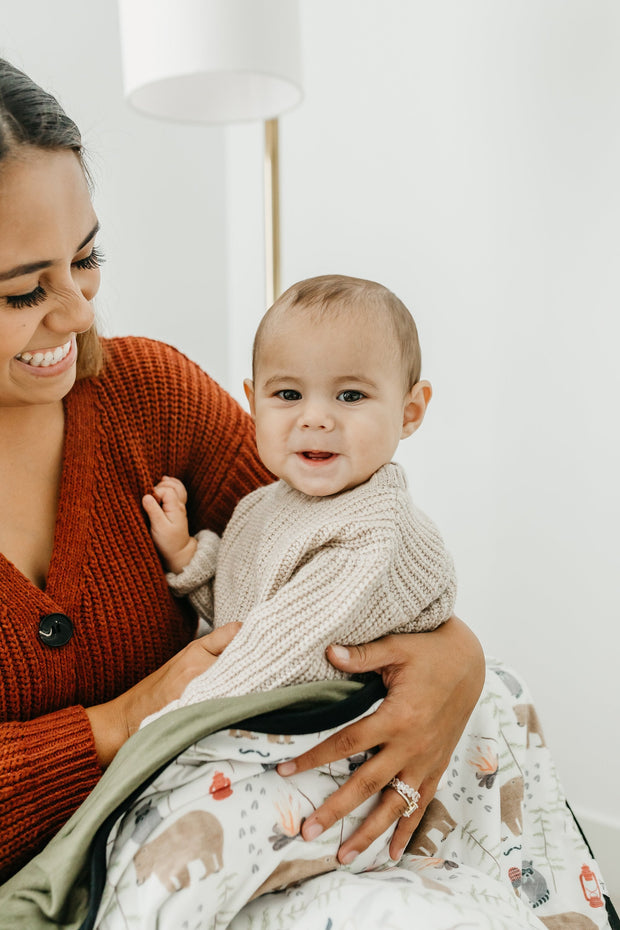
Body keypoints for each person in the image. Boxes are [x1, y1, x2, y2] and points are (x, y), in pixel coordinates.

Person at [0, 58, 614, 930]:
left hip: (253, 816)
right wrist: (120, 722)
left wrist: (455, 657)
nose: (78, 312)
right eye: (25, 290)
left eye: (87, 257)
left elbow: (325, 542)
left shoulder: (146, 393)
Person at [141, 274, 457, 715]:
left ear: (409, 411)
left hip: (339, 721)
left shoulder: (372, 530)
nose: (315, 418)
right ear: (253, 403)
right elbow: (244, 616)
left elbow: (283, 648)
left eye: (350, 395)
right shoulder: (262, 505)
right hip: (273, 709)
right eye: (288, 394)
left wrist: (168, 721)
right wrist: (191, 558)